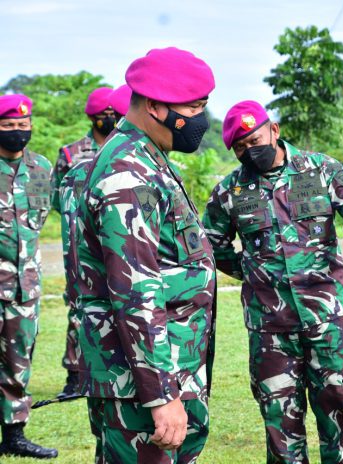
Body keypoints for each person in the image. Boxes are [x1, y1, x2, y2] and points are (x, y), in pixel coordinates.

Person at [203, 100, 343, 463]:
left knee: (342, 412)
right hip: (270, 330)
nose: (250, 151)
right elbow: (213, 244)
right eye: (240, 148)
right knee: (280, 427)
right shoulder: (229, 192)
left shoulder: (322, 169)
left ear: (274, 130)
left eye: (254, 140)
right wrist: (254, 270)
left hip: (328, 321)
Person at [74, 47, 216, 463]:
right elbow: (135, 291)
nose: (202, 120)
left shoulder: (148, 158)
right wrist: (160, 395)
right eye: (195, 107)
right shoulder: (128, 174)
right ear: (154, 106)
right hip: (142, 379)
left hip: (162, 364)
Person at [55, 83, 133, 400]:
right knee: (78, 301)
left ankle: (108, 368)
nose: (110, 118)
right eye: (104, 114)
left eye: (114, 113)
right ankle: (75, 374)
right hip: (76, 240)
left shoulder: (123, 147)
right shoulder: (70, 155)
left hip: (113, 236)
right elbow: (58, 200)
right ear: (92, 116)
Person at [0, 94, 58, 459]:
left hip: (25, 285)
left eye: (23, 125)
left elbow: (39, 217)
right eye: (9, 126)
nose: (17, 132)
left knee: (18, 363)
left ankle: (14, 436)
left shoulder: (41, 167)